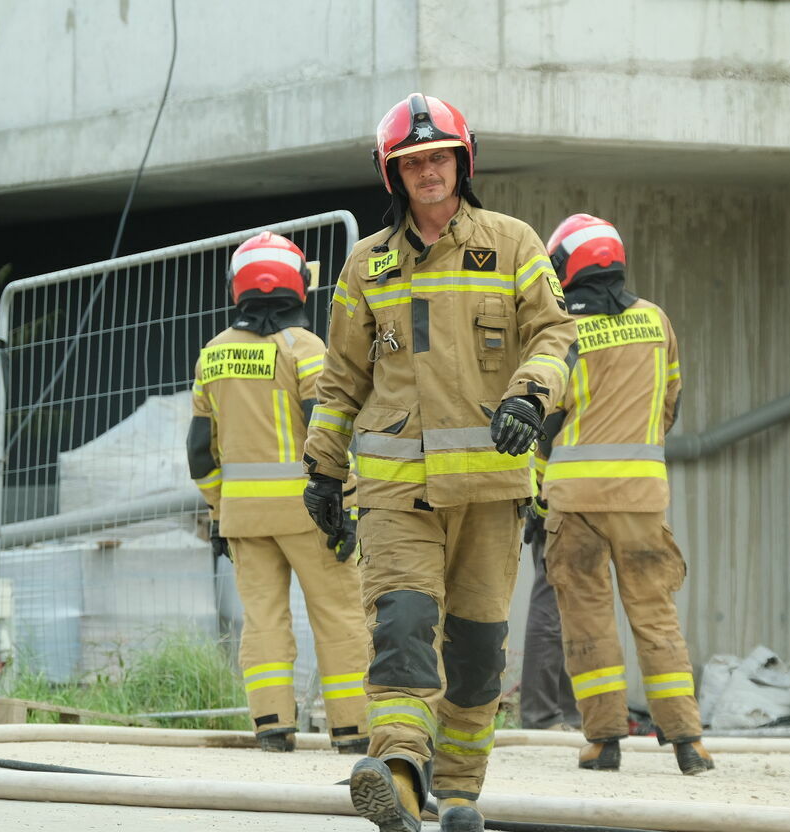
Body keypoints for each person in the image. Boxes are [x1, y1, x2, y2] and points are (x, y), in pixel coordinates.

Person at [301, 93, 576, 832]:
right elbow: (340, 381)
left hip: (491, 485)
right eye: (412, 161)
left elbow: (554, 338)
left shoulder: (514, 243)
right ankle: (397, 772)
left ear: (463, 161)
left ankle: (457, 794)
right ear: (393, 174)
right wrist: (322, 468)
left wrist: (529, 397)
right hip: (396, 491)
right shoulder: (368, 264)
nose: (428, 171)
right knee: (402, 625)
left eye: (439, 157)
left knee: (479, 650)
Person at [535, 213, 713, 776]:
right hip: (642, 497)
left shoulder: (562, 330)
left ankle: (604, 741)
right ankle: (688, 742)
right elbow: (671, 401)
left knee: (587, 618)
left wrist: (540, 484)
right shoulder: (656, 321)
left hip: (575, 501)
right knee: (657, 616)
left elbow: (548, 414)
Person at [187, 231, 369, 754]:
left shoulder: (213, 356)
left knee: (263, 621)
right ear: (298, 287)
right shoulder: (306, 349)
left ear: (236, 288)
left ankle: (271, 726)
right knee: (338, 615)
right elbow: (329, 431)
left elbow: (200, 451)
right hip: (311, 513)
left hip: (244, 519)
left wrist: (220, 511)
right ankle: (352, 731)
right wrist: (348, 503)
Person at [519, 474, 581, 732]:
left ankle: (568, 712)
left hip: (567, 495)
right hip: (568, 498)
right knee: (554, 600)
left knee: (572, 607)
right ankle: (541, 714)